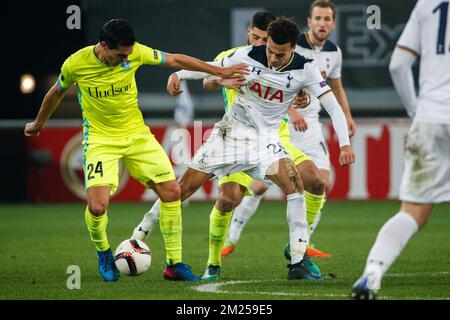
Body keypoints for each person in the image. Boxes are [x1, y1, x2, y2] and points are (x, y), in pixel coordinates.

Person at [23, 18, 248, 282]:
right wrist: (39, 123)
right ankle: (104, 252)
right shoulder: (76, 63)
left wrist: (218, 71)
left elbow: (175, 60)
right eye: (120, 55)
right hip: (100, 139)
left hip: (137, 136)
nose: (125, 59)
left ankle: (174, 264)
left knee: (172, 191)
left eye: (128, 55)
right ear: (104, 46)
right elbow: (56, 92)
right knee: (97, 207)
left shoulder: (136, 52)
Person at [136, 17, 355, 281]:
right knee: (183, 189)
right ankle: (139, 235)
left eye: (280, 53)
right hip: (230, 136)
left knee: (295, 186)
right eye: (270, 50)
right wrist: (179, 74)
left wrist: (344, 144)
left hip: (267, 142)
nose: (272, 57)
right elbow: (211, 69)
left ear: (293, 49)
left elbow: (331, 106)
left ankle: (298, 260)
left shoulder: (306, 69)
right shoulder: (248, 55)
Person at [222, 0, 356, 260]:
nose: (322, 23)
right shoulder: (288, 45)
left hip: (313, 126)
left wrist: (347, 116)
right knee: (261, 186)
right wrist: (292, 111)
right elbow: (278, 83)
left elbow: (335, 86)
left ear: (333, 23)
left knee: (319, 183)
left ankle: (302, 243)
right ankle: (232, 237)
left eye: (327, 19)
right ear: (309, 20)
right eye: (318, 18)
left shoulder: (334, 52)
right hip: (283, 124)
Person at [351, 0, 450, 299]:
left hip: (430, 117)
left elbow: (398, 64)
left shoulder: (428, 4)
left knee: (413, 212)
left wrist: (415, 110)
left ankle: (373, 272)